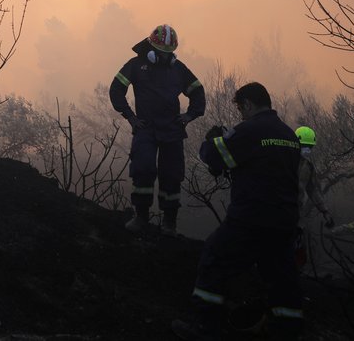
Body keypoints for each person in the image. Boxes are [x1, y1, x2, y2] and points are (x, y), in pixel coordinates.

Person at [172, 82, 303, 341]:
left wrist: (212, 139)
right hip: (284, 223)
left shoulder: (250, 130)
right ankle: (285, 333)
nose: (241, 115)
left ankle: (205, 330)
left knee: (214, 261)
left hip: (250, 219)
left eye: (241, 109)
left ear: (249, 104)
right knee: (283, 281)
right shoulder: (289, 135)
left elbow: (214, 156)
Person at [109, 24, 206, 236]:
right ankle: (140, 216)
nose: (165, 57)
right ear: (151, 49)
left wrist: (189, 115)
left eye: (169, 53)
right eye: (161, 53)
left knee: (171, 175)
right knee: (142, 169)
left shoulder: (178, 69)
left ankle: (169, 222)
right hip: (146, 128)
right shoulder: (135, 65)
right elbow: (116, 89)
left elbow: (197, 91)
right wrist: (131, 117)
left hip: (172, 130)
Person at [294, 125, 333, 271]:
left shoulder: (308, 166)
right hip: (279, 211)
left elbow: (313, 190)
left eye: (310, 147)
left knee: (297, 252)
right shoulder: (284, 161)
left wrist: (325, 211)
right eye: (305, 146)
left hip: (296, 214)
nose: (307, 150)